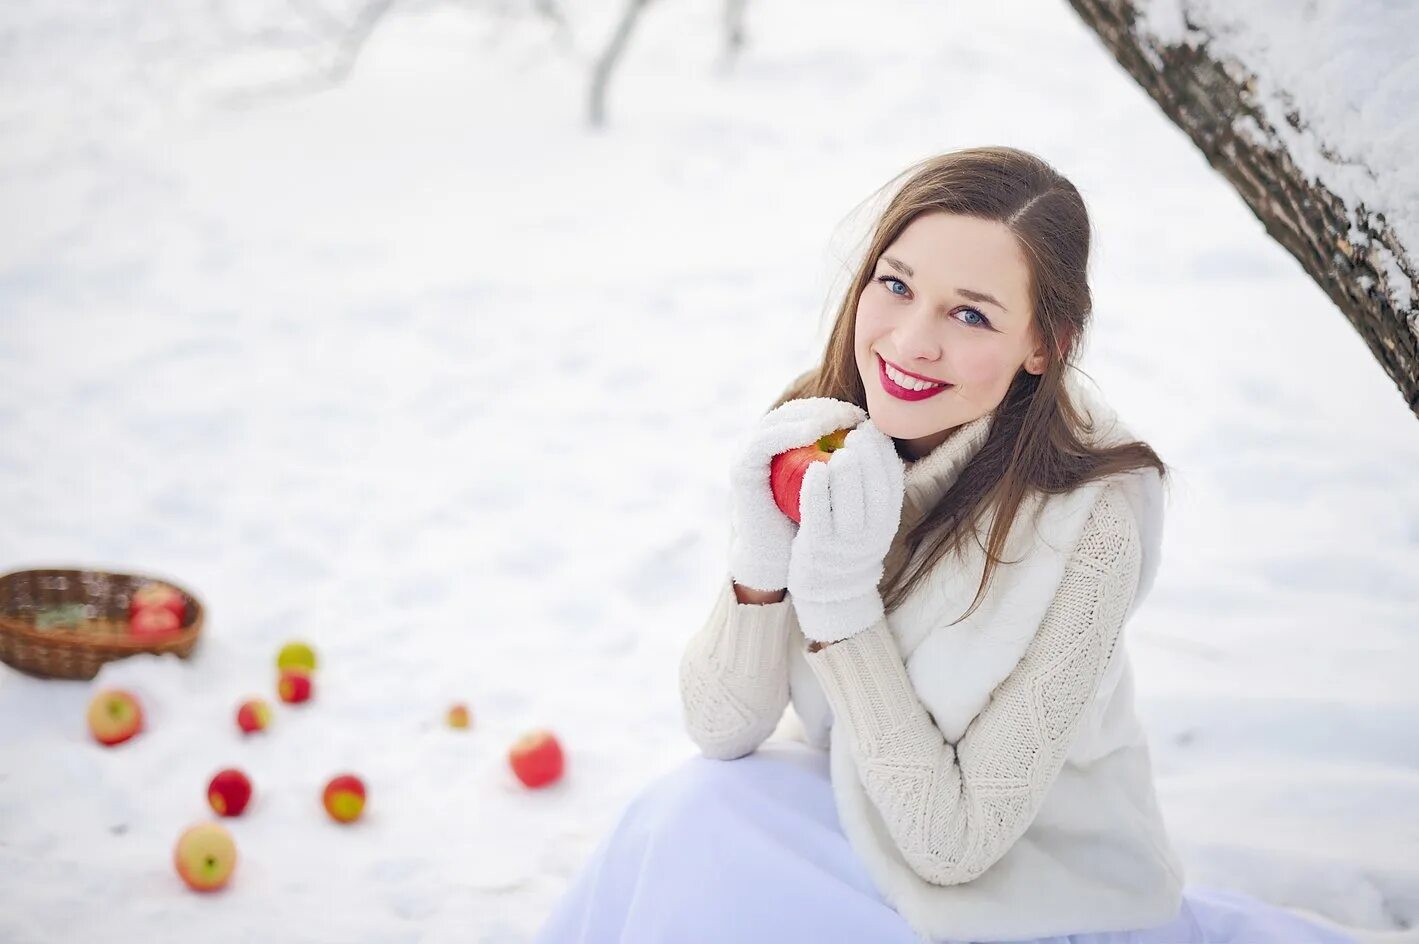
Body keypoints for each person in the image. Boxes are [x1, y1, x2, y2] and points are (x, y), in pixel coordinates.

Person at [532, 147, 1360, 944]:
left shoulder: (1092, 526)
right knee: (685, 818)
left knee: (702, 846)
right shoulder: (820, 432)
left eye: (969, 314)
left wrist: (840, 608)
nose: (909, 343)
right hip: (855, 815)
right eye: (895, 285)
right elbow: (720, 729)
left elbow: (954, 845)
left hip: (1025, 890)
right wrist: (760, 558)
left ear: (1045, 343)